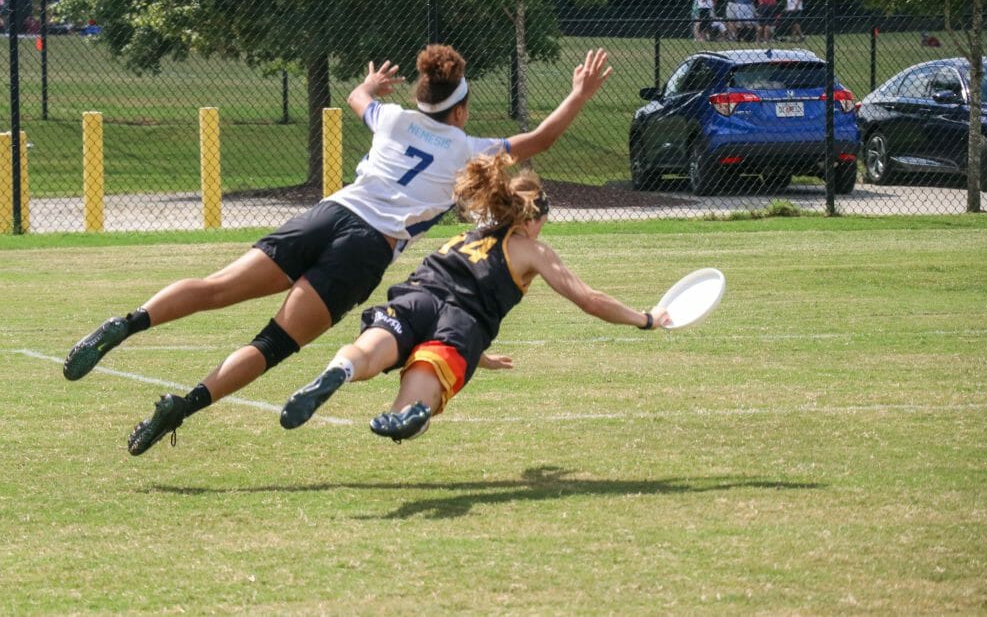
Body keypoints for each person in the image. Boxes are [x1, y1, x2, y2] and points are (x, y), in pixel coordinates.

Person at [61, 44, 612, 456]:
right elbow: (540, 139)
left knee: (215, 288)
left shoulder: (393, 119)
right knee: (273, 342)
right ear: (461, 110)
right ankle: (181, 405)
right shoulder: (467, 150)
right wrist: (580, 93)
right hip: (364, 250)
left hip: (328, 214)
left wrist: (372, 82)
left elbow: (358, 99)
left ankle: (128, 323)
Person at [277, 153, 672, 441]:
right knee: (421, 383)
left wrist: (480, 357)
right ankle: (410, 413)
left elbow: (445, 292)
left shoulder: (468, 237)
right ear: (534, 218)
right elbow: (588, 299)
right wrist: (646, 318)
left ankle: (340, 370)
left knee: (368, 350)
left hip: (417, 297)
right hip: (462, 323)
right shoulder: (532, 250)